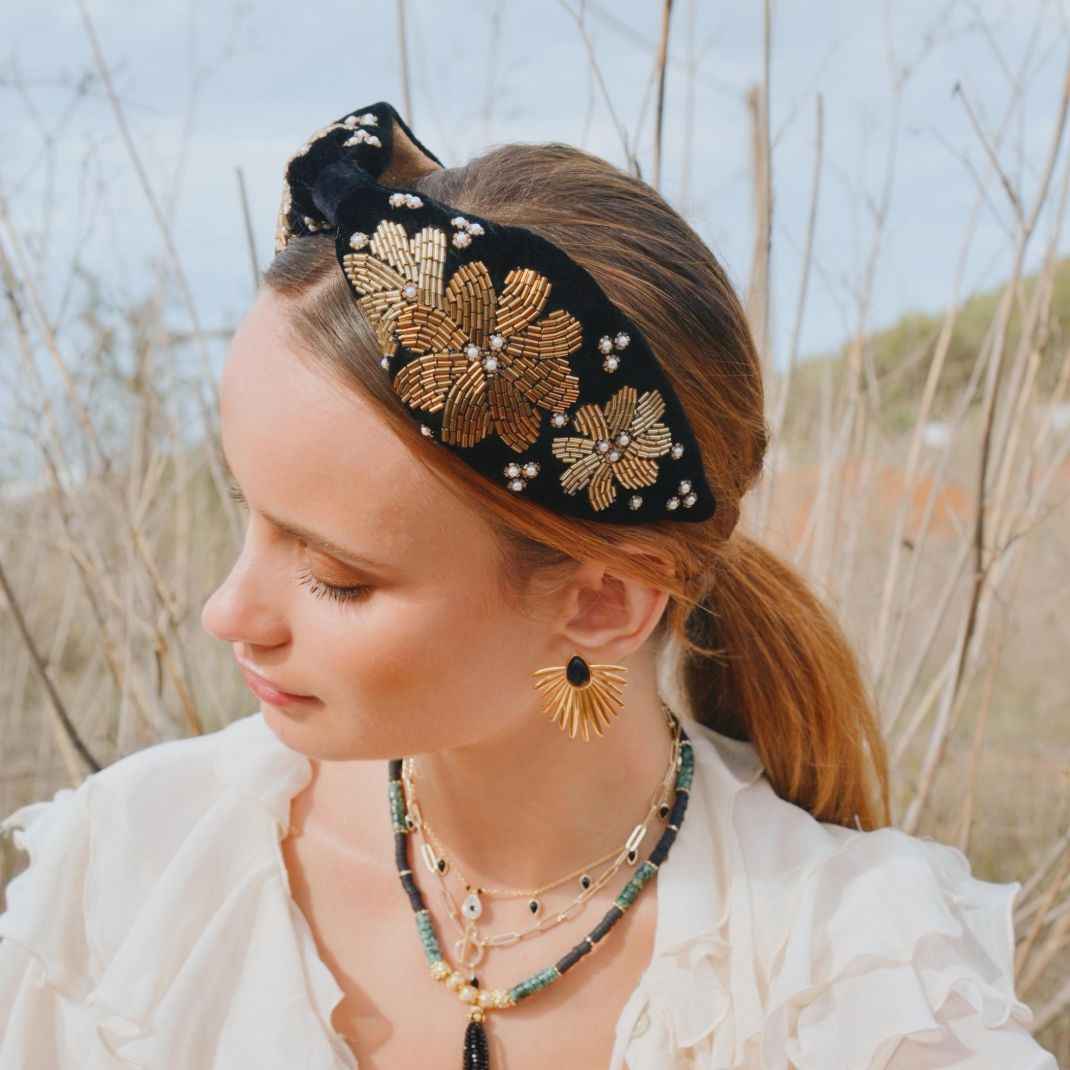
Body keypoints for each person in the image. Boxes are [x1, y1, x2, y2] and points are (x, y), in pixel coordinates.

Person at [0, 101, 1059, 1070]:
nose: (227, 612)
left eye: (335, 577)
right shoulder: (133, 883)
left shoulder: (861, 994)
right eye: (248, 510)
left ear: (603, 601)